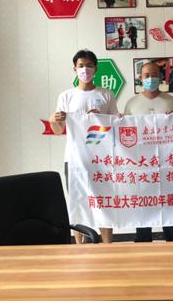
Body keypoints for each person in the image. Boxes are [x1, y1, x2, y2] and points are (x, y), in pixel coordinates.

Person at [49, 49, 119, 244]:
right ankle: (79, 245)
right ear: (74, 68)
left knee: (104, 200)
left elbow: (115, 125)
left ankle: (108, 244)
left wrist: (101, 118)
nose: (85, 69)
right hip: (74, 158)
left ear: (95, 68)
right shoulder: (66, 96)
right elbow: (58, 130)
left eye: (89, 65)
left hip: (102, 157)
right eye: (81, 66)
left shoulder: (106, 94)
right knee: (78, 201)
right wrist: (54, 120)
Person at [124, 61, 173, 242]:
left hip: (166, 163)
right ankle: (142, 239)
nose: (150, 78)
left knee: (168, 201)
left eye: (154, 75)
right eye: (147, 75)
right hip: (141, 164)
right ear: (140, 78)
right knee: (144, 201)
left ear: (161, 77)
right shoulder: (132, 103)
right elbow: (125, 133)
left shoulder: (171, 101)